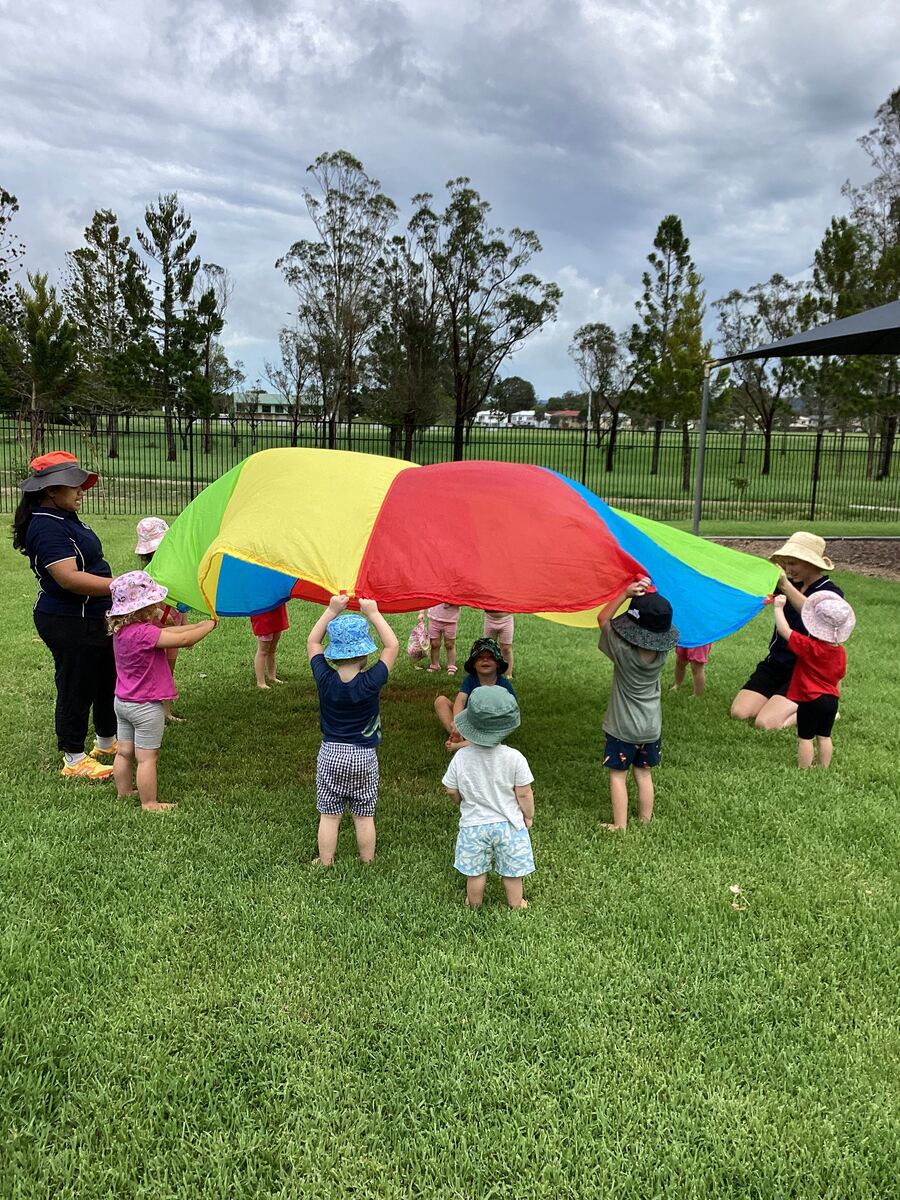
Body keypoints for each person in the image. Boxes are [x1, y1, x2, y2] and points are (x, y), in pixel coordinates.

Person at [13, 451, 117, 781]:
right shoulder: (46, 527)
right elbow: (69, 578)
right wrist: (122, 585)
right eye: (74, 486)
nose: (81, 491)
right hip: (70, 620)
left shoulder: (64, 518)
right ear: (51, 490)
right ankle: (74, 758)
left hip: (93, 616)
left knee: (105, 679)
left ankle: (106, 742)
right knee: (76, 684)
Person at [107, 571, 216, 811]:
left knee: (124, 752)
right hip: (146, 706)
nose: (157, 607)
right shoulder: (144, 633)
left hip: (123, 702)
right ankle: (149, 802)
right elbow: (184, 639)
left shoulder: (123, 632)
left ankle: (124, 792)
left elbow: (170, 633)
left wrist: (196, 625)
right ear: (142, 609)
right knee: (147, 757)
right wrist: (208, 626)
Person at [307, 596, 399, 866]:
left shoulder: (324, 678)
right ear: (366, 653)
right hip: (364, 755)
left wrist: (332, 609)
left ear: (333, 654)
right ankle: (367, 860)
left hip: (331, 753)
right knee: (363, 814)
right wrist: (373, 612)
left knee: (329, 815)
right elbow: (392, 645)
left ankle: (325, 861)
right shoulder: (372, 681)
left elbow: (313, 642)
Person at [730, 532, 844, 731]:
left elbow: (813, 613)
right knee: (739, 712)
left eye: (793, 564)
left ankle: (824, 711)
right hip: (776, 663)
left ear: (810, 563)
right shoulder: (791, 584)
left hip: (806, 670)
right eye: (786, 564)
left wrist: (785, 584)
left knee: (765, 723)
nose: (789, 569)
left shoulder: (830, 592)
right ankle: (778, 698)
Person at [596, 579, 678, 831]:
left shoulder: (623, 652)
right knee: (643, 774)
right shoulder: (662, 654)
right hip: (651, 727)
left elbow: (603, 619)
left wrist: (624, 594)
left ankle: (619, 825)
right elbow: (656, 618)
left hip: (622, 729)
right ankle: (645, 820)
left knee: (618, 776)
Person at [443, 687, 534, 910]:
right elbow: (524, 792)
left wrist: (460, 801)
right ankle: (516, 903)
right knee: (513, 872)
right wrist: (528, 815)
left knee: (476, 871)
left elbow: (451, 789)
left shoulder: (461, 756)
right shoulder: (515, 758)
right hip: (510, 825)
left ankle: (473, 903)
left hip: (473, 824)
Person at [772, 591, 855, 769]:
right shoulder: (840, 652)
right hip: (831, 701)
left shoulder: (810, 647)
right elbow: (838, 677)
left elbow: (784, 631)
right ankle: (823, 767)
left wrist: (779, 608)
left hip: (811, 700)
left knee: (805, 738)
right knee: (824, 736)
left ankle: (804, 768)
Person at [135, 516, 184, 722]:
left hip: (173, 628)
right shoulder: (145, 576)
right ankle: (150, 712)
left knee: (168, 670)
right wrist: (155, 613)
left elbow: (182, 600)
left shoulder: (177, 570)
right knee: (153, 670)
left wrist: (185, 625)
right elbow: (140, 607)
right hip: (153, 632)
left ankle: (166, 711)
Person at [434, 637, 516, 749]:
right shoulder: (471, 679)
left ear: (497, 663)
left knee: (490, 736)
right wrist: (457, 722)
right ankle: (456, 734)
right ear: (473, 664)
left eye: (490, 657)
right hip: (470, 717)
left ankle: (462, 745)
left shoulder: (503, 683)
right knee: (440, 701)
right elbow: (461, 700)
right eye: (480, 658)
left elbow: (512, 707)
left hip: (491, 722)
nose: (485, 660)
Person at [251, 602, 290, 689]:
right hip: (263, 615)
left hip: (276, 612)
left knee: (272, 649)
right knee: (263, 651)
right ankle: (260, 682)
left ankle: (272, 676)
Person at [426, 603, 460, 674]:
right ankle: (435, 665)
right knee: (434, 643)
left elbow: (462, 599)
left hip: (450, 620)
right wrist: (421, 613)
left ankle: (451, 665)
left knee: (449, 644)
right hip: (434, 619)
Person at [483, 610, 515, 678]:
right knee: (489, 647)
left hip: (507, 620)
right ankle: (488, 671)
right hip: (490, 620)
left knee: (506, 648)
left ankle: (508, 674)